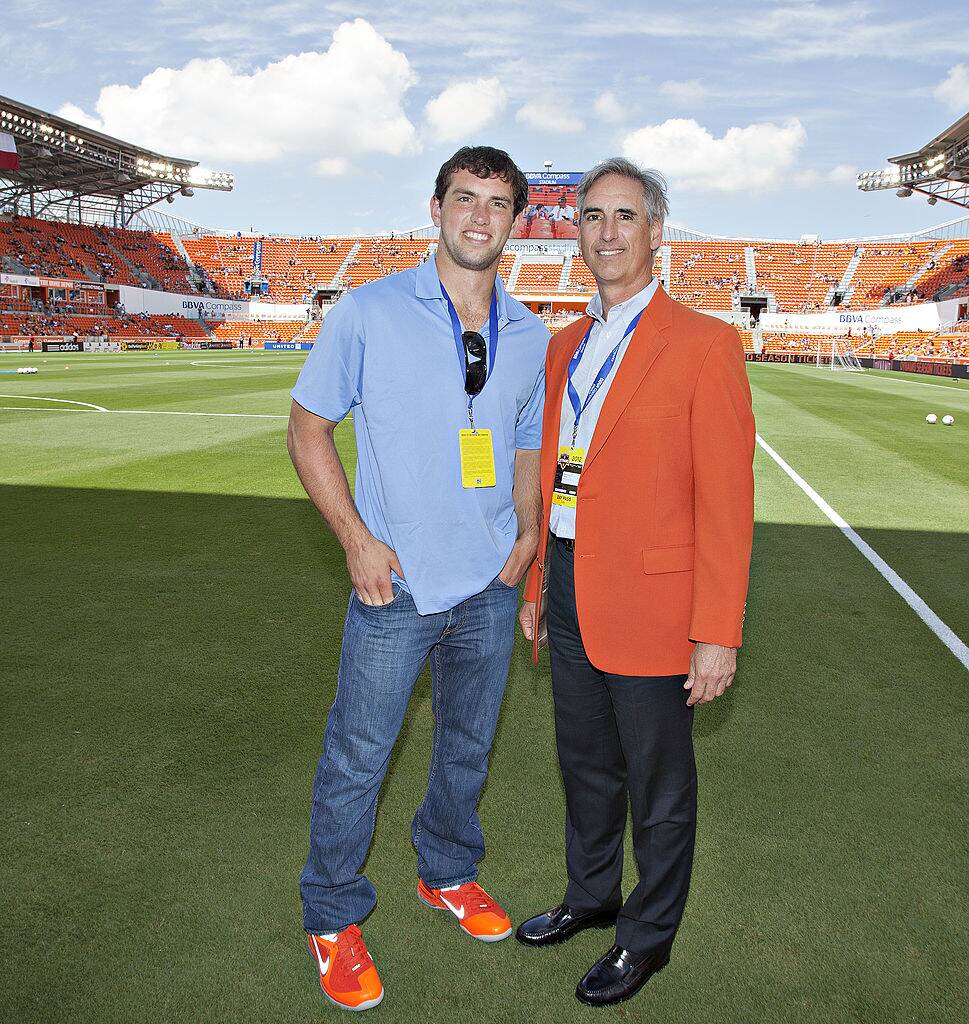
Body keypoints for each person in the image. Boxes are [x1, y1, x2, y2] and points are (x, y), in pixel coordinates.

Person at [287, 146, 549, 1012]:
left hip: (489, 584)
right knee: (358, 756)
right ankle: (331, 914)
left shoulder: (529, 333)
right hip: (393, 585)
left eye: (497, 203)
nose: (479, 216)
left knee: (467, 746)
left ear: (516, 222)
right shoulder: (368, 310)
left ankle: (446, 870)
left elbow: (523, 442)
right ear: (435, 208)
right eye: (464, 198)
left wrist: (526, 534)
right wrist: (355, 539)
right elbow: (307, 428)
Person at [515, 158, 755, 1007]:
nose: (606, 231)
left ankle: (646, 938)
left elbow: (726, 501)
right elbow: (553, 476)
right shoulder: (563, 347)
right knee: (584, 764)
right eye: (592, 216)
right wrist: (540, 584)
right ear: (575, 233)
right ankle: (590, 897)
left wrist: (716, 629)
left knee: (658, 784)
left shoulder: (703, 342)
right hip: (570, 579)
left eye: (624, 215)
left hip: (656, 601)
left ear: (655, 231)